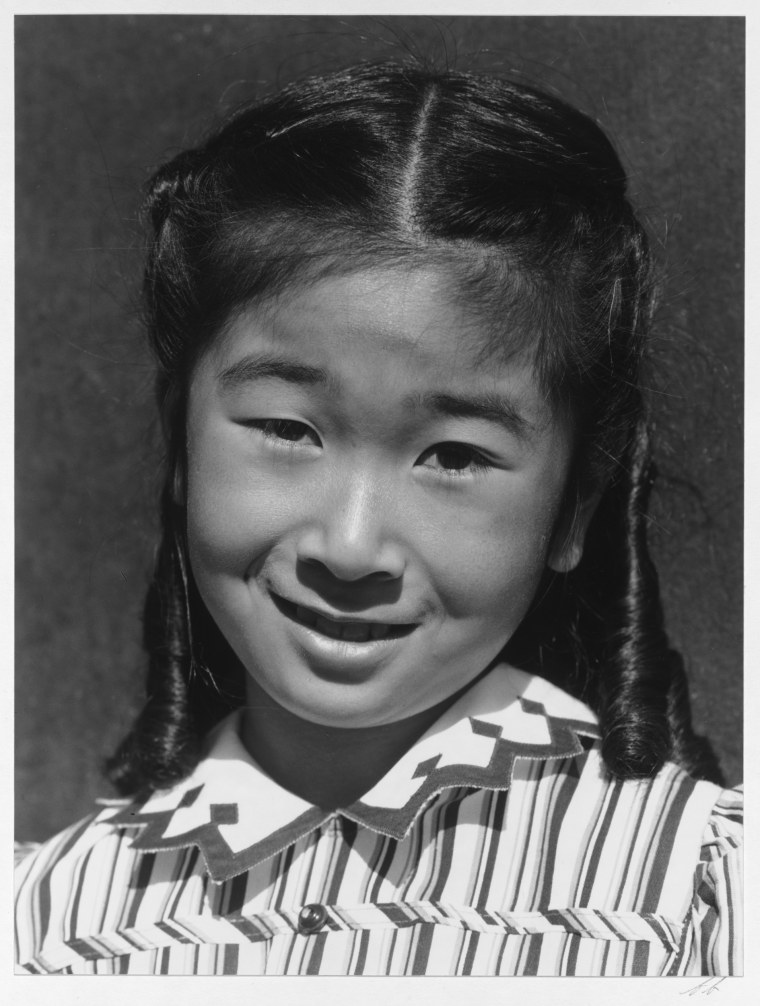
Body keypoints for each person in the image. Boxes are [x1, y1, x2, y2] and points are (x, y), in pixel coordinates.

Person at [15, 62, 742, 977]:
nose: (350, 547)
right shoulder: (51, 926)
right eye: (286, 429)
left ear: (574, 510)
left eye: (455, 456)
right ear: (182, 443)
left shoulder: (691, 897)